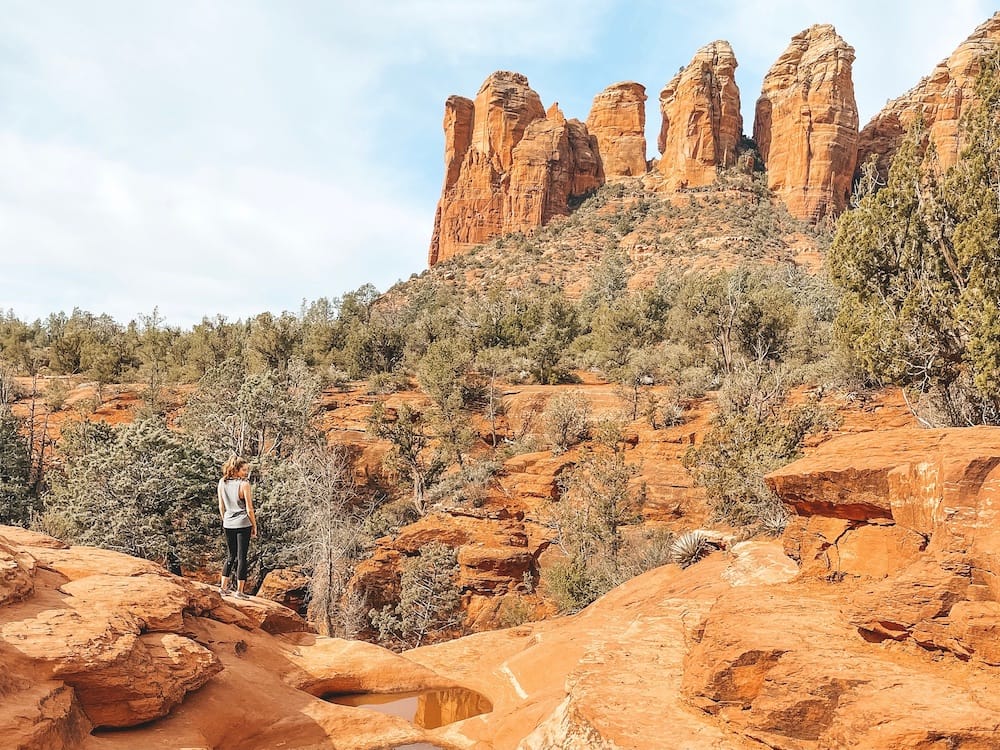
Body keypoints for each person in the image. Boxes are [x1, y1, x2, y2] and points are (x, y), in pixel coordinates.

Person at [218, 456, 257, 599]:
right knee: (242, 557)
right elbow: (249, 508)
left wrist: (226, 520)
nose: (246, 472)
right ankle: (239, 592)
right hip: (243, 523)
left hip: (228, 522)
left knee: (230, 555)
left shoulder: (222, 482)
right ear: (236, 469)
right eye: (244, 470)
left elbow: (221, 506)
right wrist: (254, 525)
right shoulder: (244, 484)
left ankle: (223, 588)